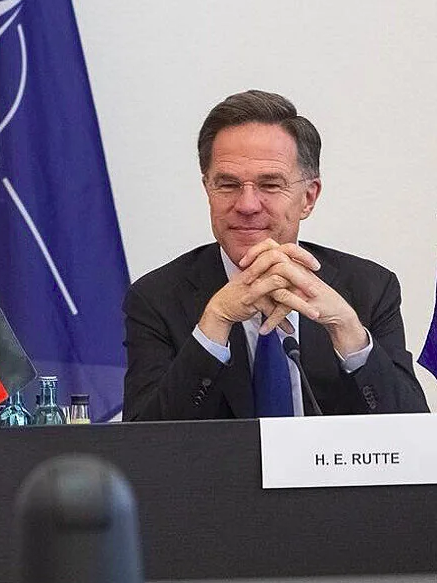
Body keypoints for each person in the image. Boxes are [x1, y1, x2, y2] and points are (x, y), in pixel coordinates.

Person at [123, 90, 427, 420]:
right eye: (228, 185)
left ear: (308, 198)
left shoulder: (369, 289)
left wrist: (348, 333)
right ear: (207, 189)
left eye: (270, 185)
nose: (247, 205)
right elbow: (142, 441)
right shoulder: (156, 299)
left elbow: (414, 434)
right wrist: (215, 323)